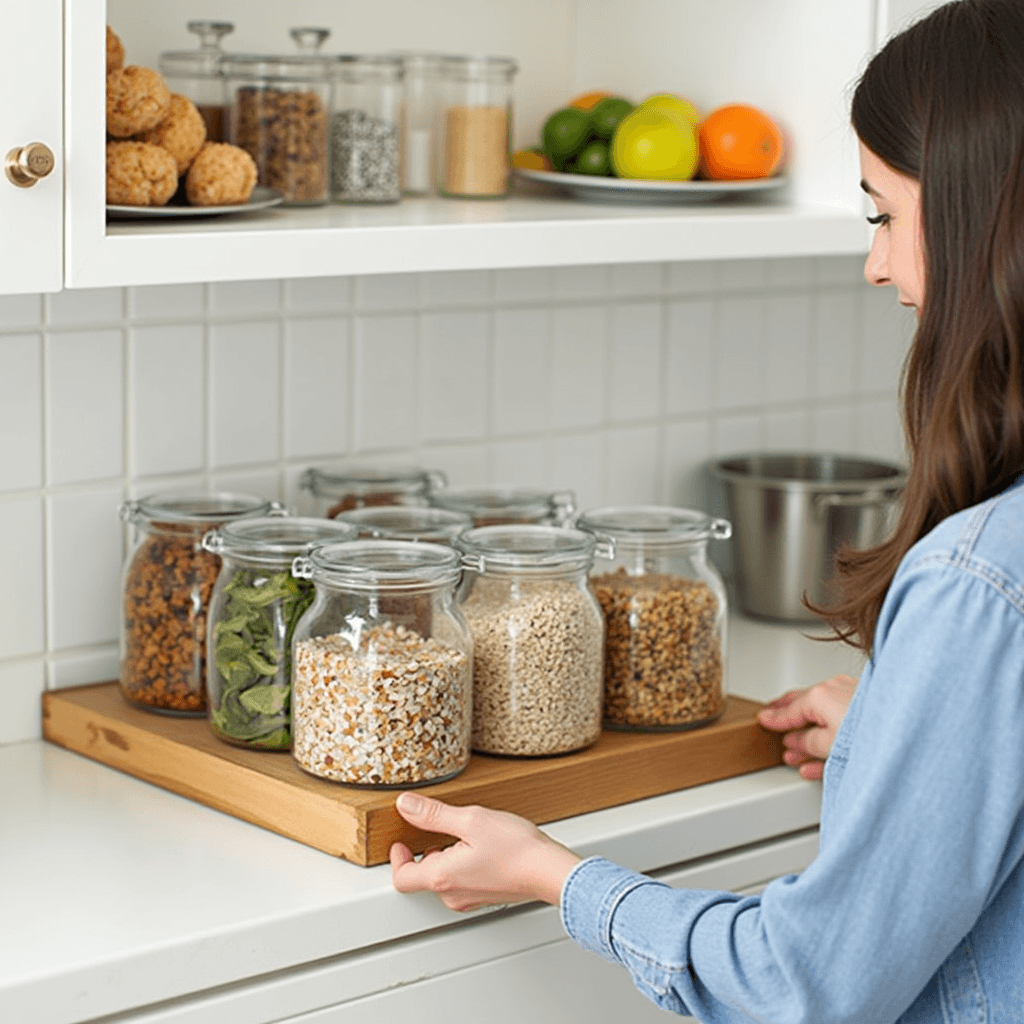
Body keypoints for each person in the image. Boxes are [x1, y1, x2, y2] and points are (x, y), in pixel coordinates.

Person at [389, 1, 1024, 1019]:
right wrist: (900, 739)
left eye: (882, 215)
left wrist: (554, 875)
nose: (875, 265)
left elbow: (808, 980)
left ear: (974, 211)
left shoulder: (976, 579)